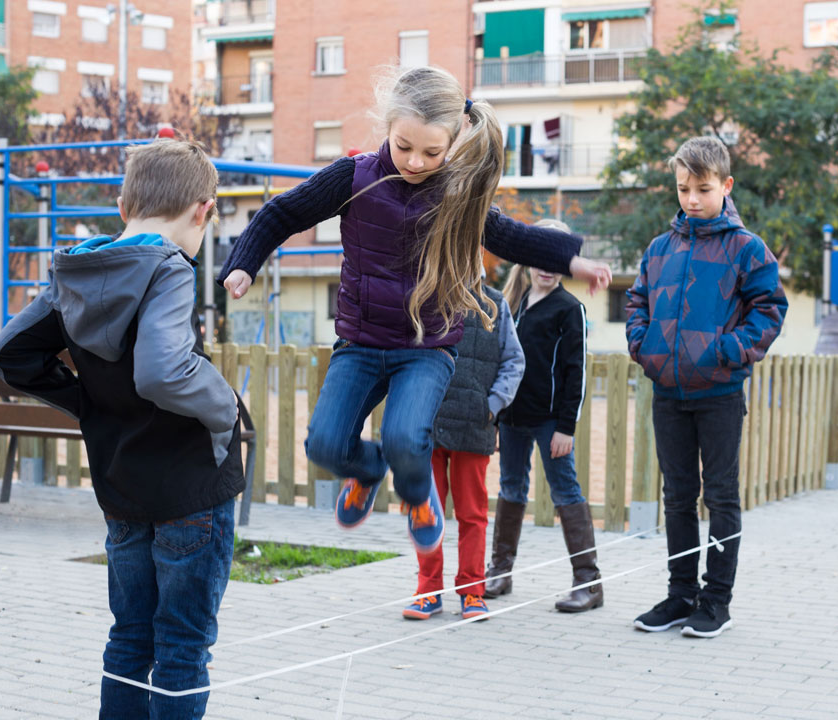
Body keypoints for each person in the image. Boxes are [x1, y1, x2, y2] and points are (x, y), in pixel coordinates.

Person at [217, 66, 611, 555]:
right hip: (360, 342)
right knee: (323, 444)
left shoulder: (457, 196)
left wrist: (573, 260)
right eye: (404, 146)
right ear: (388, 125)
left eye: (432, 152)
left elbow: (513, 237)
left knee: (406, 438)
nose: (416, 162)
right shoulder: (354, 177)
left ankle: (419, 496)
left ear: (453, 142)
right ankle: (366, 471)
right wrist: (244, 265)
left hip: (427, 350)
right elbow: (283, 212)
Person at [0, 138, 241, 717]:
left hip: (121, 490)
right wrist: (224, 403)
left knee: (130, 640)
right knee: (181, 650)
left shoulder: (77, 269)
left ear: (123, 207)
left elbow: (10, 353)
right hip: (191, 490)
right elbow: (161, 371)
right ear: (204, 210)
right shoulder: (170, 268)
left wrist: (85, 401)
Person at [626, 136, 787, 638]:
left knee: (719, 496)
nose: (692, 199)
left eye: (702, 189)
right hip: (669, 392)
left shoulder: (747, 249)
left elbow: (770, 309)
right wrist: (643, 345)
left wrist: (726, 351)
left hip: (718, 392)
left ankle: (716, 602)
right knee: (676, 496)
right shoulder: (660, 248)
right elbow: (637, 303)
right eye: (683, 189)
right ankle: (680, 595)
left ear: (726, 185)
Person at [485, 220, 603, 613]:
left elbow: (577, 373)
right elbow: (502, 363)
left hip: (551, 422)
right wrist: (499, 417)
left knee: (565, 490)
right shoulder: (513, 305)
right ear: (528, 259)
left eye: (556, 260)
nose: (547, 267)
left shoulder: (570, 309)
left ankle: (588, 582)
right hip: (514, 419)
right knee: (511, 489)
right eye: (541, 258)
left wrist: (566, 427)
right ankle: (500, 571)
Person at [403, 280, 525, 621]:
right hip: (428, 421)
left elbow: (514, 361)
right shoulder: (424, 296)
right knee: (426, 511)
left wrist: (491, 406)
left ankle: (472, 592)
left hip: (474, 425)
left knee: (472, 513)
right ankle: (428, 591)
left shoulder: (495, 303)